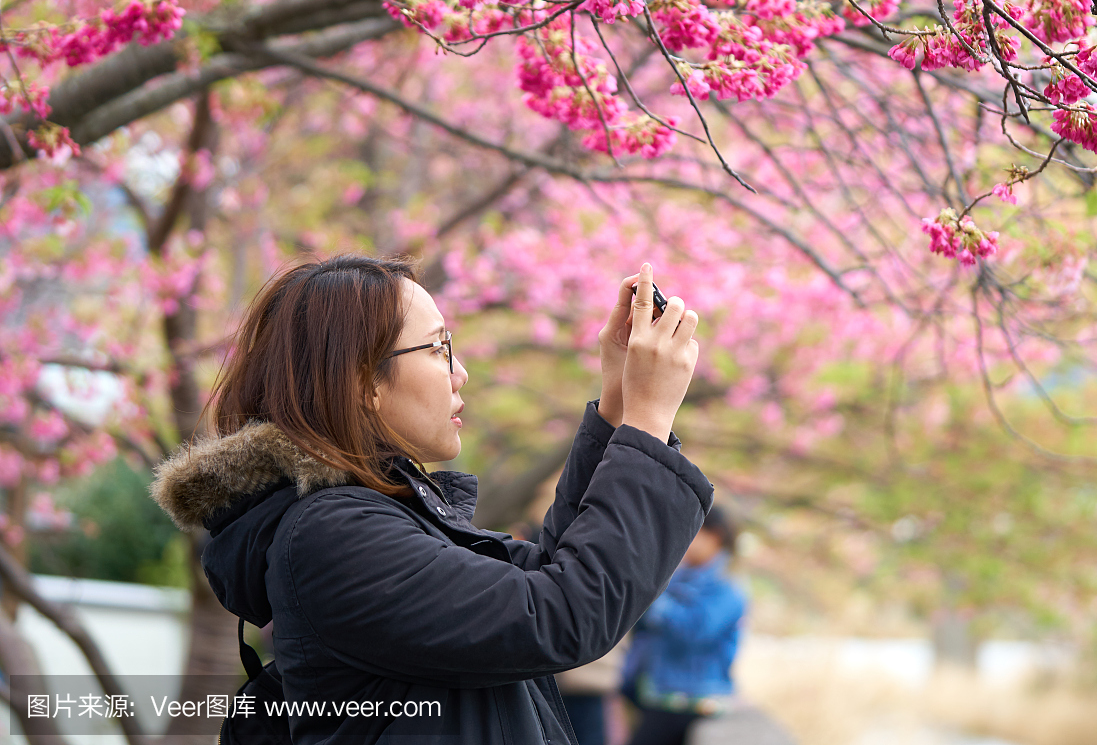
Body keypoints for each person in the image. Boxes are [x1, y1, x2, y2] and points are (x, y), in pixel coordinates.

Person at [150, 254, 712, 745]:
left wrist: (619, 403)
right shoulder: (332, 536)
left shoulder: (370, 519)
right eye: (439, 347)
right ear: (362, 382)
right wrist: (647, 422)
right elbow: (563, 613)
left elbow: (546, 575)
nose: (460, 373)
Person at [621, 506, 745, 745]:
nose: (685, 539)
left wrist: (652, 597)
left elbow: (694, 631)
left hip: (691, 701)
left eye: (693, 532)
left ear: (714, 536)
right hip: (658, 695)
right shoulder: (680, 576)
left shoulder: (727, 587)